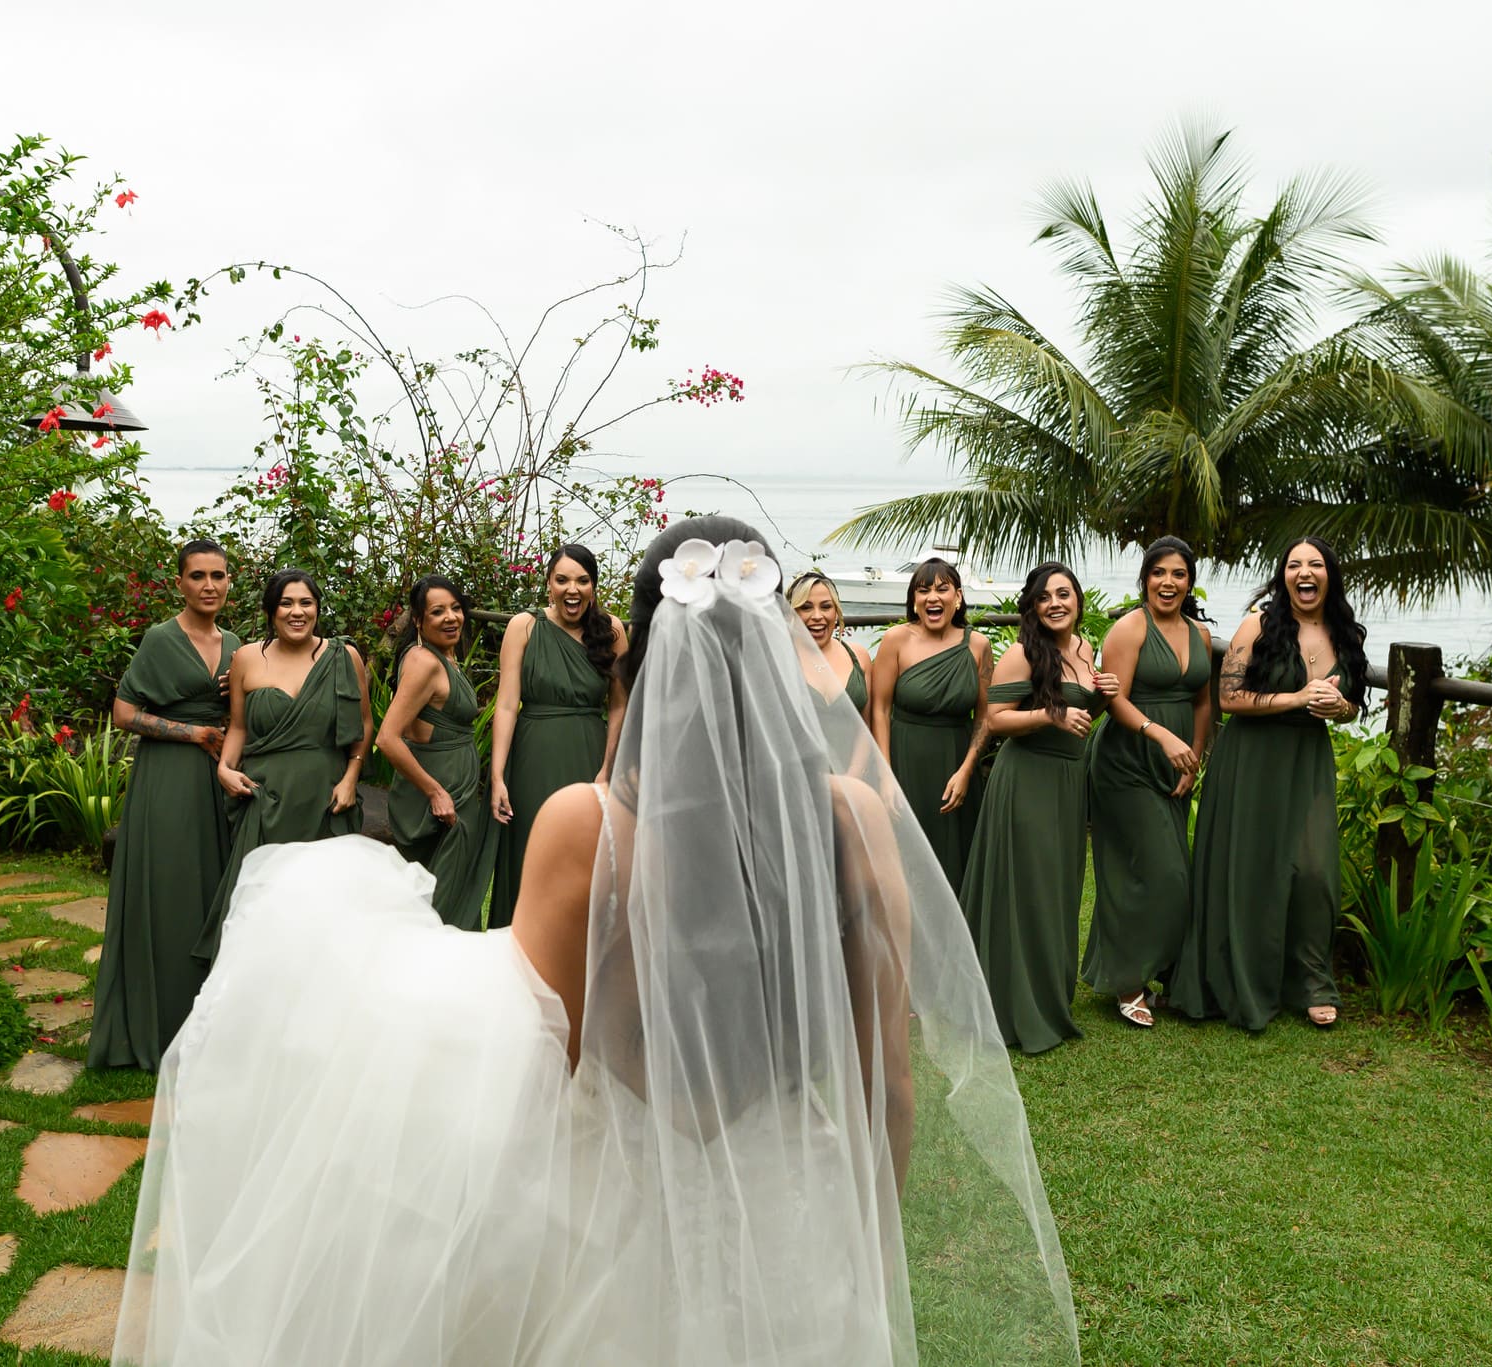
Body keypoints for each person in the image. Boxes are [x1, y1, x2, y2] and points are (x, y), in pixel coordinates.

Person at [111, 516, 1080, 1367]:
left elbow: (540, 1047)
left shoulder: (586, 823)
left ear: (641, 660)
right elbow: (888, 1077)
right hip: (791, 1201)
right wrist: (869, 1247)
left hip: (608, 1206)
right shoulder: (857, 818)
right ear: (782, 650)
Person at [1173, 535, 1367, 1031]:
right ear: (1284, 575)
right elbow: (1230, 698)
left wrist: (1338, 707)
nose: (1305, 572)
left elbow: (1352, 707)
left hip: (1308, 760)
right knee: (1252, 869)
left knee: (1315, 873)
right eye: (1294, 564)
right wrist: (1297, 698)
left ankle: (1312, 983)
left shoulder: (1346, 633)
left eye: (1316, 564)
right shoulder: (1258, 625)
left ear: (1329, 575)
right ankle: (1243, 979)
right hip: (1252, 757)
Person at [88, 540, 240, 1072]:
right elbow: (125, 713)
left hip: (220, 778)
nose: (208, 586)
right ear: (179, 583)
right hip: (169, 777)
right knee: (170, 893)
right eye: (197, 576)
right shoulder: (159, 639)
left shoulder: (238, 645)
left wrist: (237, 694)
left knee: (213, 895)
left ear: (229, 581)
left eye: (218, 576)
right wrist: (190, 732)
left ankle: (209, 1027)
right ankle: (158, 1024)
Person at [961, 563, 1118, 1054]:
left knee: (1057, 891)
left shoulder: (1082, 648)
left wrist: (1103, 697)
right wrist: (1052, 713)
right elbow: (996, 719)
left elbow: (1081, 714)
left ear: (1077, 601)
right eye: (1045, 596)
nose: (1056, 603)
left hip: (1068, 784)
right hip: (1026, 782)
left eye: (1064, 594)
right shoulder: (1022, 654)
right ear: (1031, 606)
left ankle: (1050, 999)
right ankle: (1011, 1006)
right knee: (1025, 891)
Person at [193, 569, 371, 960]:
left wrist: (351, 777)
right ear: (271, 611)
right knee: (264, 913)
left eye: (306, 602)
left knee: (326, 914)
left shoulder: (344, 657)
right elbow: (238, 726)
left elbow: (365, 725)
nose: (297, 612)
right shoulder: (246, 658)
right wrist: (224, 767)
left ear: (318, 608)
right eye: (286, 603)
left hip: (326, 800)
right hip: (266, 801)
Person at [1083, 536, 1214, 1029]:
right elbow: (1114, 700)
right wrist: (1161, 736)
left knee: (1167, 868)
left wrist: (1193, 757)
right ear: (1145, 579)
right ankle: (1128, 981)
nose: (1168, 582)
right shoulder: (1129, 628)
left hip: (1175, 763)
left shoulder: (1199, 635)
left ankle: (1148, 971)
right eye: (1159, 572)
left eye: (1178, 574)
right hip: (1127, 761)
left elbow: (1203, 703)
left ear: (1189, 582)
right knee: (1158, 873)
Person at [489, 545, 628, 926]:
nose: (573, 589)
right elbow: (506, 704)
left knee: (585, 860)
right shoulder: (525, 626)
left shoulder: (612, 632)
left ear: (594, 586)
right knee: (531, 852)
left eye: (583, 580)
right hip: (532, 759)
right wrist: (498, 776)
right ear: (549, 583)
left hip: (590, 757)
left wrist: (608, 768)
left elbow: (619, 707)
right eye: (563, 580)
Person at [376, 575, 498, 930]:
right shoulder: (423, 661)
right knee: (435, 912)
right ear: (418, 620)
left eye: (456, 608)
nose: (451, 618)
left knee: (452, 904)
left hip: (455, 794)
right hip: (436, 805)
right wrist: (435, 792)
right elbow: (387, 738)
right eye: (437, 611)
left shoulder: (445, 658)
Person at [869, 558, 993, 891]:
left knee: (956, 861)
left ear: (958, 597)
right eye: (923, 591)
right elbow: (879, 710)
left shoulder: (978, 646)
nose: (932, 597)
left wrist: (967, 770)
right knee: (904, 862)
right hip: (904, 760)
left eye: (942, 589)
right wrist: (885, 775)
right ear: (913, 600)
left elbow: (984, 717)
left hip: (956, 764)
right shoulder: (896, 640)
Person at [786, 569, 872, 723]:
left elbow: (867, 726)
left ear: (836, 612)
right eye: (806, 607)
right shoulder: (778, 659)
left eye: (826, 607)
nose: (818, 616)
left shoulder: (859, 656)